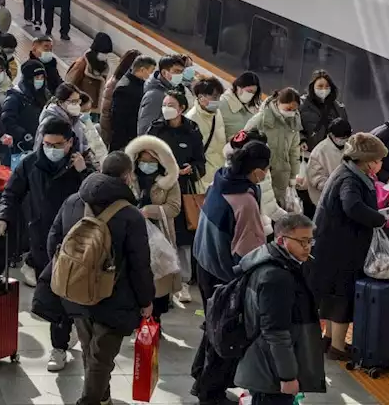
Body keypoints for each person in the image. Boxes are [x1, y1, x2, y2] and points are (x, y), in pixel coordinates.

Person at [48, 151, 154, 405]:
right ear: (128, 176)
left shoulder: (74, 201)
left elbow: (53, 238)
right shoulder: (131, 215)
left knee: (90, 350)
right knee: (101, 358)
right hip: (114, 298)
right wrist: (146, 300)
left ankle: (102, 396)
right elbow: (140, 264)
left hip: (75, 290)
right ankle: (90, 401)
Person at [0, 118, 92, 369]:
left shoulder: (81, 165)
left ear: (70, 143)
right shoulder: (30, 163)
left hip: (75, 240)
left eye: (57, 144)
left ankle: (60, 342)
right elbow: (12, 194)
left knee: (68, 294)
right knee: (53, 294)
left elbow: (99, 195)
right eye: (47, 143)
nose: (51, 149)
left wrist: (84, 172)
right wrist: (3, 218)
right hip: (41, 239)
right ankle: (59, 344)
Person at [189, 136, 271, 405]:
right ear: (257, 169)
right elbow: (248, 253)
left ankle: (200, 374)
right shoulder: (244, 201)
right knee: (226, 335)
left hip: (204, 263)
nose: (266, 174)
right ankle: (210, 393)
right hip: (225, 276)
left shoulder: (221, 178)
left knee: (212, 325)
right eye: (266, 169)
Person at [309, 132, 389, 361]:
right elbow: (352, 206)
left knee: (333, 295)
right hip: (341, 249)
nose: (381, 164)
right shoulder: (351, 179)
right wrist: (378, 218)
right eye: (378, 160)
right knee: (342, 297)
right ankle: (338, 348)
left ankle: (327, 340)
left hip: (333, 246)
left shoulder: (346, 171)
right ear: (368, 161)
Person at [233, 213, 325, 405]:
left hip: (263, 363)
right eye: (302, 241)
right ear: (282, 240)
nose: (307, 247)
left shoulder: (270, 260)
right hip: (270, 372)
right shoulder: (276, 277)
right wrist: (288, 376)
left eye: (310, 241)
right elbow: (276, 332)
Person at [126, 134, 186, 315]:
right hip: (134, 235)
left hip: (161, 235)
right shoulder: (130, 180)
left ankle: (156, 319)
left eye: (151, 160)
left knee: (159, 282)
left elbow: (174, 208)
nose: (147, 164)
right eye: (143, 160)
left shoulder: (168, 182)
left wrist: (148, 211)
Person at [245, 88, 303, 209]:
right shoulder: (261, 119)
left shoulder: (294, 123)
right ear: (278, 103)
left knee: (278, 212)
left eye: (294, 109)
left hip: (281, 175)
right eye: (288, 109)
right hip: (260, 174)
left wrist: (293, 176)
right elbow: (244, 140)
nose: (291, 112)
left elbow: (294, 151)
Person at [2, 59, 50, 163]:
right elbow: (7, 120)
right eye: (37, 77)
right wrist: (24, 135)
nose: (40, 81)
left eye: (42, 77)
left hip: (41, 144)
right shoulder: (15, 97)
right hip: (21, 148)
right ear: (28, 79)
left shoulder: (44, 94)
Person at [185, 77, 227, 187]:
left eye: (219, 97)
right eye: (214, 97)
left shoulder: (217, 114)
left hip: (218, 173)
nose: (217, 100)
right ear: (201, 98)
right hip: (202, 178)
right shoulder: (191, 119)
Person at [135, 54, 187, 136]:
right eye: (176, 71)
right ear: (164, 72)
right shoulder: (154, 95)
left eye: (181, 72)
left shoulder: (173, 90)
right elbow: (144, 130)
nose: (180, 75)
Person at [306, 118, 350, 208]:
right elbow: (316, 179)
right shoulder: (319, 152)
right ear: (331, 135)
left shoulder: (349, 148)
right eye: (341, 138)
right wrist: (336, 188)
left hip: (346, 195)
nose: (344, 140)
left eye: (346, 138)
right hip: (326, 200)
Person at [299, 70, 347, 150]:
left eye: (327, 86)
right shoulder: (301, 104)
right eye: (320, 86)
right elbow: (293, 127)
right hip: (307, 153)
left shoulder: (339, 108)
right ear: (313, 87)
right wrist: (301, 140)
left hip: (330, 154)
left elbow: (346, 131)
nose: (324, 89)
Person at [220, 71, 264, 139]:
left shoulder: (254, 107)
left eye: (254, 93)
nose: (251, 95)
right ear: (238, 87)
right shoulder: (222, 104)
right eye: (249, 91)